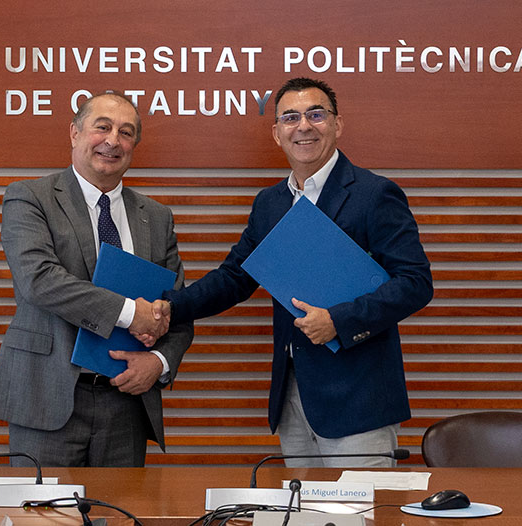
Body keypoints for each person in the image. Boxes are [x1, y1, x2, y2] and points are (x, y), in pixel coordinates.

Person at [152, 77, 433, 467]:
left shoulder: (374, 194)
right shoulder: (270, 203)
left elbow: (415, 283)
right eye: (290, 117)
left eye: (316, 115)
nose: (303, 126)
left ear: (337, 124)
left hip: (358, 399)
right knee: (301, 504)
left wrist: (338, 321)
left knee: (363, 505)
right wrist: (168, 308)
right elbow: (234, 278)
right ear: (277, 133)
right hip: (293, 399)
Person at [0, 92, 193, 467]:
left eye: (126, 132)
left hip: (126, 403)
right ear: (74, 132)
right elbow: (39, 280)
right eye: (103, 127)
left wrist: (159, 362)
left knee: (123, 504)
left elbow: (176, 307)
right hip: (47, 397)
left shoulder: (157, 217)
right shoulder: (30, 198)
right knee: (44, 506)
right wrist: (131, 314)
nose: (113, 140)